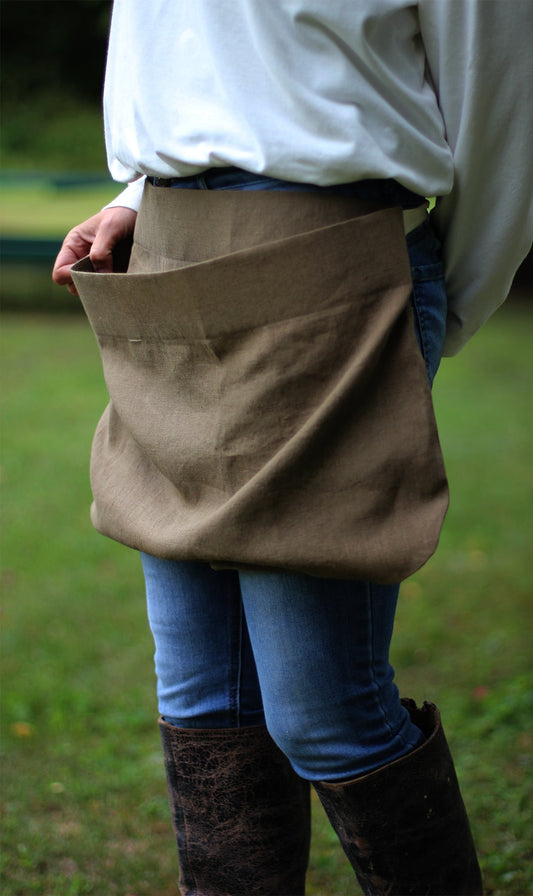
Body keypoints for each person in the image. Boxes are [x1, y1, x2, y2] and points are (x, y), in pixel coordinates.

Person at [53, 2, 532, 894]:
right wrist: (136, 197)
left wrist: (428, 300)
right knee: (203, 701)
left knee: (326, 716)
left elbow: (501, 103)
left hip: (333, 275)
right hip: (169, 266)